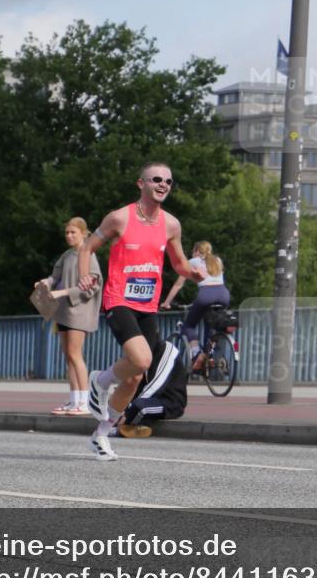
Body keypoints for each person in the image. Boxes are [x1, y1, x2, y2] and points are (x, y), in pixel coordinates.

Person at [78, 162, 204, 461]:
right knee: (142, 359)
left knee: (135, 378)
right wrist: (84, 276)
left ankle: (101, 434)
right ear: (141, 184)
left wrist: (194, 274)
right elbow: (86, 248)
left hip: (147, 305)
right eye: (156, 179)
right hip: (118, 299)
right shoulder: (119, 218)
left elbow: (178, 264)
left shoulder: (171, 224)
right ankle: (100, 381)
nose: (163, 185)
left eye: (168, 181)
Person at [35, 217, 103, 415]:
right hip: (64, 311)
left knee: (75, 354)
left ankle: (85, 402)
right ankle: (74, 400)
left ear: (83, 233)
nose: (69, 236)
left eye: (73, 232)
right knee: (68, 355)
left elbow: (93, 285)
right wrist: (46, 282)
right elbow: (55, 276)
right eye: (67, 232)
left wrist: (62, 292)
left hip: (79, 311)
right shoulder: (67, 255)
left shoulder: (88, 255)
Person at [161, 240, 230, 370]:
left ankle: (197, 354)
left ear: (197, 251)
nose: (192, 254)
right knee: (212, 324)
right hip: (224, 294)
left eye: (193, 251)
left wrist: (166, 302)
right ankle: (209, 355)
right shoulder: (217, 260)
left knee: (189, 326)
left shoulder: (193, 261)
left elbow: (178, 284)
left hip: (206, 295)